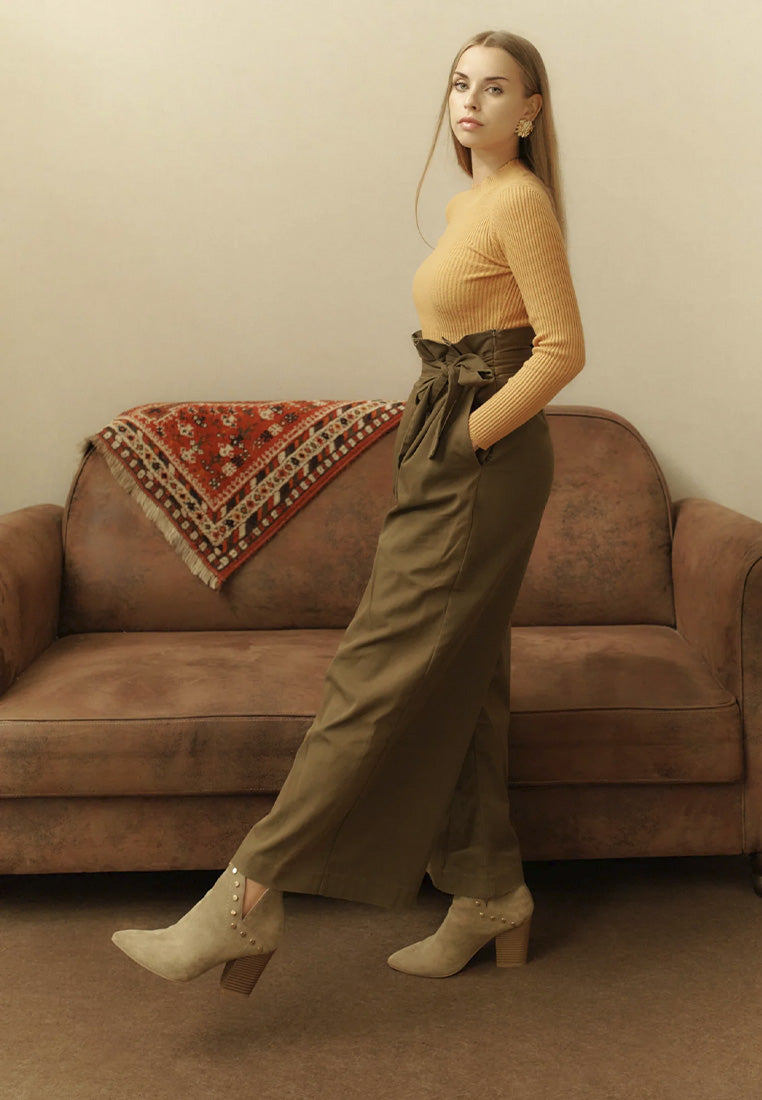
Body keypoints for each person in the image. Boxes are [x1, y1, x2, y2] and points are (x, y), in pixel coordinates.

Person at [111, 29, 585, 995]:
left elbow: (563, 348)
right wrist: (443, 434)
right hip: (448, 441)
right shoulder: (469, 203)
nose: (471, 101)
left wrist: (471, 437)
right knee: (464, 680)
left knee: (374, 675)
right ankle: (491, 892)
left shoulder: (520, 201)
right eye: (460, 83)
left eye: (496, 88)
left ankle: (245, 899)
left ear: (531, 110)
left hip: (481, 459)